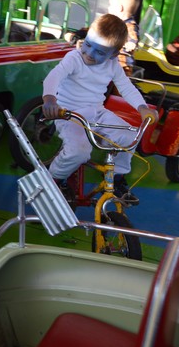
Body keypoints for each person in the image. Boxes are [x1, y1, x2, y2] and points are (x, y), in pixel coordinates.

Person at [42, 14, 157, 204]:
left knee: (130, 137)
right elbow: (54, 76)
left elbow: (127, 88)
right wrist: (49, 99)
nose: (89, 53)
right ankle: (53, 179)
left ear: (113, 54)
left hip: (96, 112)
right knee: (79, 151)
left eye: (100, 52)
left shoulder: (113, 65)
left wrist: (142, 108)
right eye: (88, 44)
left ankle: (117, 176)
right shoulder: (74, 58)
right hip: (68, 113)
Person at [107, 0, 141, 75]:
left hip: (122, 65)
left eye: (110, 5)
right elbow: (98, 29)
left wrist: (132, 42)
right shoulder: (112, 23)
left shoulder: (129, 25)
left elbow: (133, 34)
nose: (108, 8)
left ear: (119, 8)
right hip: (109, 63)